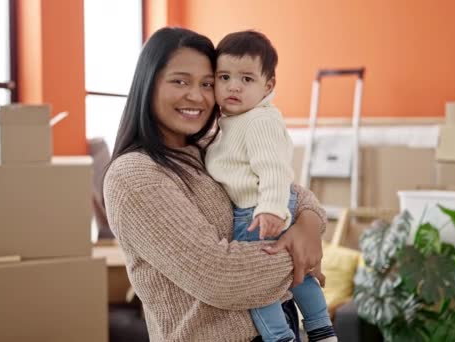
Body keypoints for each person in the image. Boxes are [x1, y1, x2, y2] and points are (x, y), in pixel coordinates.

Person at [103, 27, 328, 342]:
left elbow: (291, 191)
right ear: (148, 84)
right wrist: (301, 251)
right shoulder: (134, 175)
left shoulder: (210, 147)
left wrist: (308, 223)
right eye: (180, 81)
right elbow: (219, 277)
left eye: (208, 83)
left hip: (281, 325)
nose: (196, 95)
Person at [205, 31, 336, 342]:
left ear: (269, 85)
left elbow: (275, 171)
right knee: (294, 269)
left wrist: (271, 209)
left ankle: (279, 337)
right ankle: (322, 329)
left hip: (257, 211)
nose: (234, 86)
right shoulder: (232, 120)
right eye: (224, 77)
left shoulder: (258, 120)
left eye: (247, 79)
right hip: (260, 207)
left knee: (255, 282)